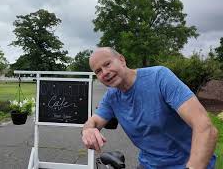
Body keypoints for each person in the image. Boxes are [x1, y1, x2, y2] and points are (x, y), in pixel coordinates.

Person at [81, 47, 218, 169]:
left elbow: (205, 127)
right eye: (98, 71)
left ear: (122, 60)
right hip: (148, 164)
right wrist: (88, 130)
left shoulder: (159, 77)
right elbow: (93, 122)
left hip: (189, 163)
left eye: (107, 64)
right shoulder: (111, 97)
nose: (104, 72)